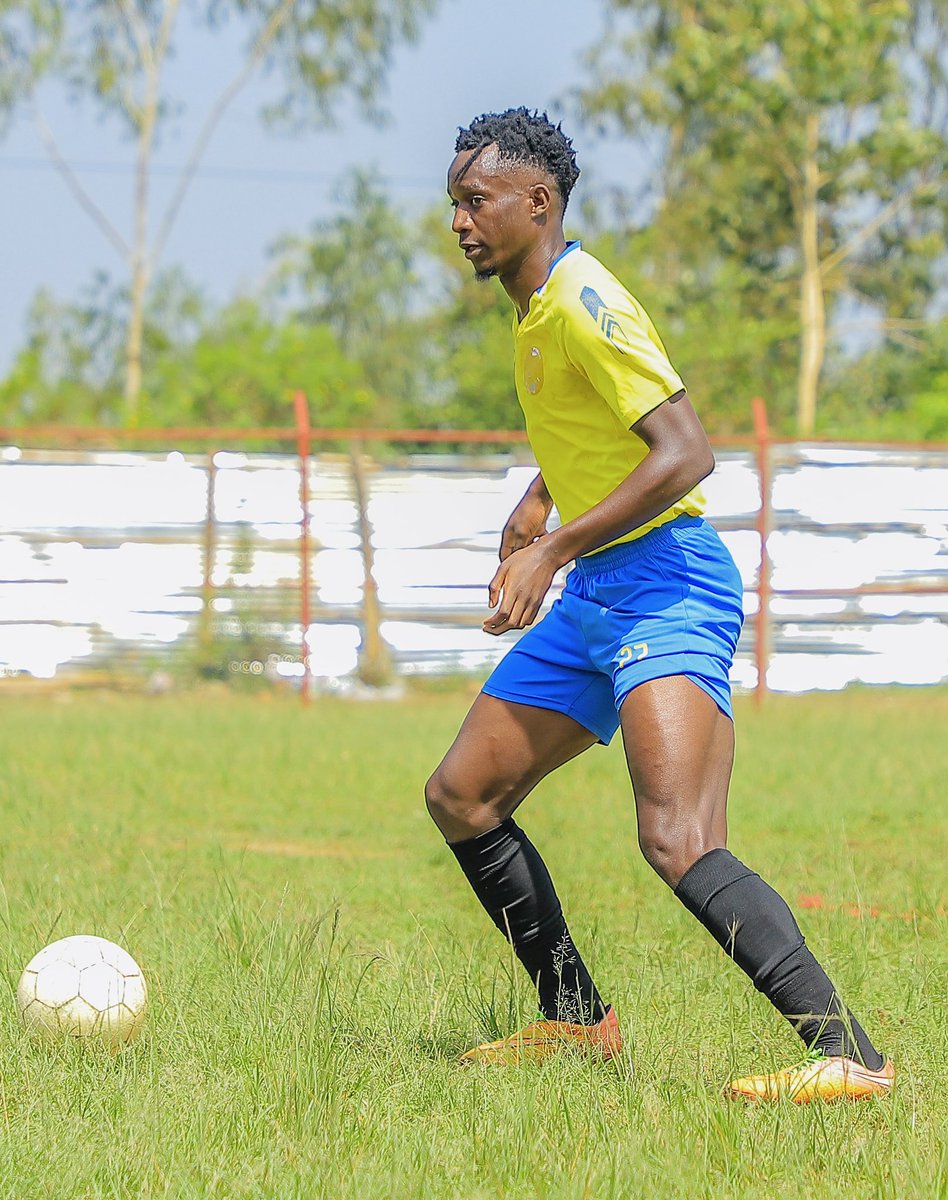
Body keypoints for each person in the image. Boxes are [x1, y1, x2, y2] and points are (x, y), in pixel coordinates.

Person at [424, 107, 894, 1103]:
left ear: (537, 203)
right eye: (455, 204)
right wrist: (539, 497)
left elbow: (686, 451)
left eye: (476, 202)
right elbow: (599, 432)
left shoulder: (585, 299)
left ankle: (851, 1054)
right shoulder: (535, 308)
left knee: (678, 838)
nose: (460, 222)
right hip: (601, 589)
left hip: (666, 584)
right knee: (463, 796)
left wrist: (549, 545)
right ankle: (577, 1023)